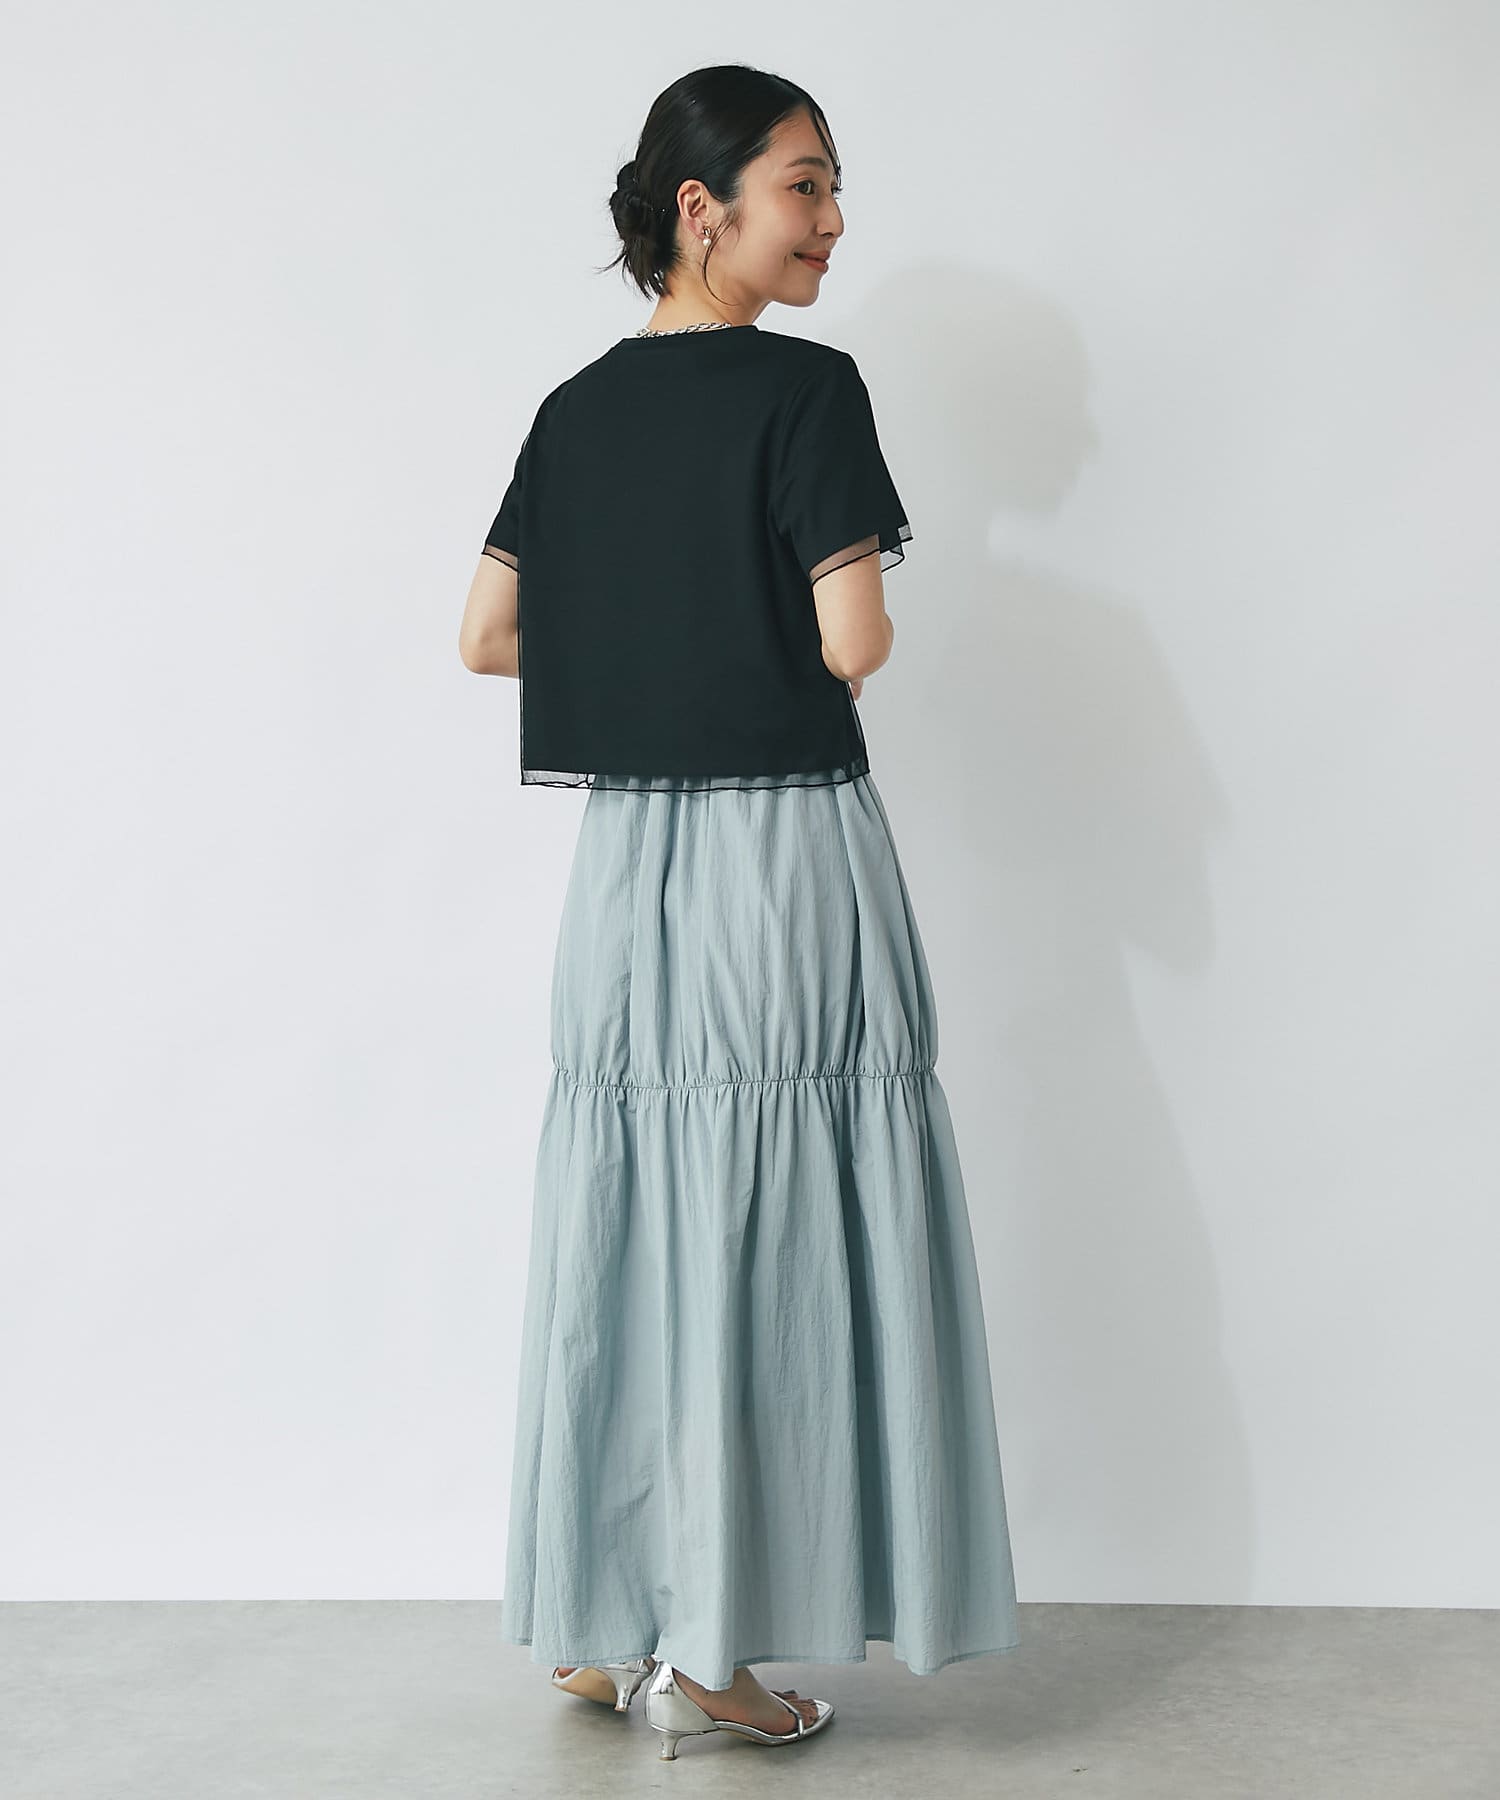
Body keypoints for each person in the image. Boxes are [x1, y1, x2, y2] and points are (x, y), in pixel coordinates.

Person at [458, 64, 1020, 1762]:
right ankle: (715, 1649)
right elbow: (854, 643)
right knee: (774, 1223)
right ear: (700, 210)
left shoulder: (573, 410)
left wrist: (651, 637)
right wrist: (754, 618)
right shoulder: (806, 391)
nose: (834, 221)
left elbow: (487, 638)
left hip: (629, 871)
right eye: (805, 185)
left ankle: (601, 1615)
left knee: (638, 1211)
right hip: (780, 858)